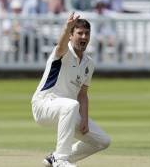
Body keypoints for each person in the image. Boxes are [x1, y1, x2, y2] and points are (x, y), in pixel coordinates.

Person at [31, 13, 110, 167]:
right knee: (71, 106)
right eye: (79, 33)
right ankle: (61, 160)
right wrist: (66, 27)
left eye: (87, 33)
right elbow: (60, 45)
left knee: (102, 141)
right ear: (71, 36)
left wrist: (85, 119)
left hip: (67, 111)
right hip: (44, 104)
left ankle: (54, 158)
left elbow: (83, 94)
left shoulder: (89, 63)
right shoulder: (63, 52)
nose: (84, 36)